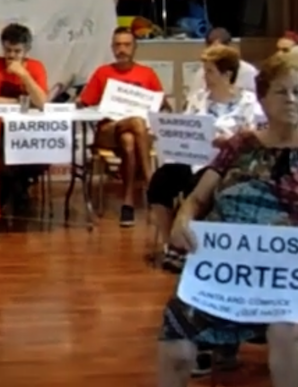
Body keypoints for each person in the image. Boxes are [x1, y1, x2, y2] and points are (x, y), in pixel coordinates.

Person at [156, 53, 298, 386]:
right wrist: (183, 220)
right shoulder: (240, 146)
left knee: (287, 333)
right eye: (282, 92)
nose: (292, 99)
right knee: (177, 345)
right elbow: (197, 198)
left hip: (291, 276)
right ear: (263, 99)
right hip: (227, 272)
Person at [146, 45, 263, 273]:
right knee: (161, 181)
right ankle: (172, 242)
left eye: (210, 71)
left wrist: (228, 141)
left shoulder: (249, 103)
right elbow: (186, 127)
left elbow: (253, 140)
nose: (205, 77)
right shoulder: (198, 98)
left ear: (227, 74)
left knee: (197, 185)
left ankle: (188, 246)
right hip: (194, 156)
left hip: (225, 163)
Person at [78, 27, 165, 226]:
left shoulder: (147, 73)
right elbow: (85, 102)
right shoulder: (102, 73)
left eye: (126, 45)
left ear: (135, 47)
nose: (122, 49)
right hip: (109, 129)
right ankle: (151, 183)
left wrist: (156, 104)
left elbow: (162, 105)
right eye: (117, 45)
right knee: (136, 123)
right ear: (112, 48)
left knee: (129, 140)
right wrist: (79, 101)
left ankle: (128, 203)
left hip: (135, 135)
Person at [0, 23, 48, 109]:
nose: (11, 55)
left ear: (26, 51)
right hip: (0, 114)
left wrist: (24, 75)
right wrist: (23, 102)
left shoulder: (36, 66)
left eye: (17, 51)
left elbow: (43, 104)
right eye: (8, 50)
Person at [186, 28, 257, 94]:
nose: (217, 55)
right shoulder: (202, 73)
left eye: (221, 51)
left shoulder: (249, 72)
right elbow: (193, 98)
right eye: (213, 50)